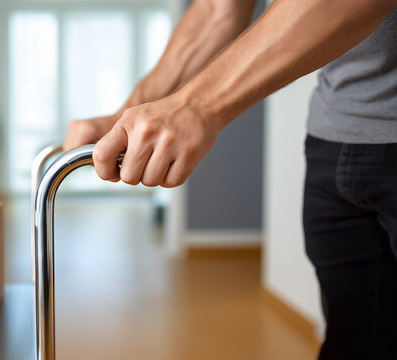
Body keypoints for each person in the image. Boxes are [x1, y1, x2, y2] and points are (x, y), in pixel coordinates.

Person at [62, 0, 397, 358]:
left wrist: (197, 106)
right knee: (354, 338)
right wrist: (128, 115)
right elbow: (215, 10)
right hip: (333, 137)